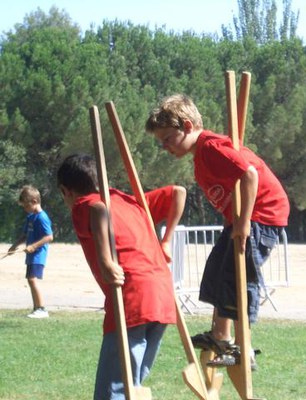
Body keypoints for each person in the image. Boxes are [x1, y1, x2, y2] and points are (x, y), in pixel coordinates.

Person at [145, 94, 290, 368]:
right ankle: (220, 335)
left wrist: (244, 222)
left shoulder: (211, 147)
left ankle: (240, 347)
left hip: (262, 215)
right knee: (215, 272)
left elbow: (249, 175)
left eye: (166, 139)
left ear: (187, 126)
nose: (164, 147)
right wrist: (231, 221)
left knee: (236, 277)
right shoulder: (200, 156)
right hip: (240, 218)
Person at [57, 153, 186, 399]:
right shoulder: (128, 201)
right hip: (161, 295)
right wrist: (166, 239)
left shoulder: (86, 203)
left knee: (114, 388)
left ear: (66, 191)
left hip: (131, 295)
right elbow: (178, 192)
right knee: (132, 382)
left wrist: (106, 261)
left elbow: (97, 210)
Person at [9, 185, 53, 318]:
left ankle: (41, 309)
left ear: (34, 201)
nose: (25, 209)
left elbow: (49, 236)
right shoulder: (30, 217)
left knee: (32, 279)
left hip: (38, 255)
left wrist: (33, 246)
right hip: (31, 255)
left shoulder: (42, 217)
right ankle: (36, 308)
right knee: (30, 279)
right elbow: (25, 235)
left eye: (26, 206)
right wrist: (14, 245)